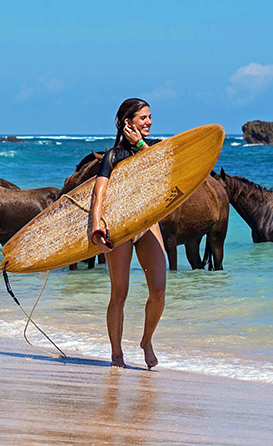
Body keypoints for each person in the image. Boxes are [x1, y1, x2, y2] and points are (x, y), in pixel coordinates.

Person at [89, 98, 167, 369]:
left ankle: (147, 340)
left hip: (147, 226)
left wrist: (141, 145)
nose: (149, 122)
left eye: (150, 117)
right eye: (143, 117)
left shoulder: (154, 147)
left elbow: (162, 169)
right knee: (119, 294)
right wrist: (96, 226)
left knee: (158, 292)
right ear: (128, 122)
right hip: (120, 228)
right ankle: (117, 354)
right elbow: (98, 194)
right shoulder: (113, 157)